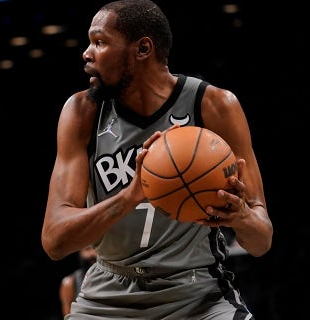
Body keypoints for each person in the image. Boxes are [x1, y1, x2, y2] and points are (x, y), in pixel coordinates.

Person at [40, 0, 273, 319]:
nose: (87, 53)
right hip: (106, 295)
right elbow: (54, 241)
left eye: (100, 42)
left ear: (143, 48)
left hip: (197, 294)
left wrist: (241, 216)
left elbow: (261, 241)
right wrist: (129, 196)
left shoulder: (214, 105)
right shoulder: (82, 112)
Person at [59, 245, 97, 317]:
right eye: (87, 249)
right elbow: (68, 315)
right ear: (79, 253)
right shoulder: (70, 282)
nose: (93, 253)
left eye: (96, 249)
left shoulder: (114, 277)